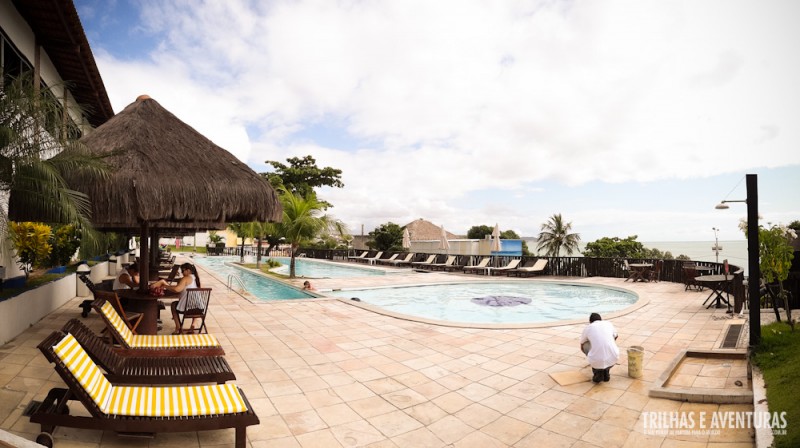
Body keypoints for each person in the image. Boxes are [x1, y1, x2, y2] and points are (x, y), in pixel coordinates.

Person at [150, 263, 201, 334]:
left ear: (188, 270)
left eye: (183, 271)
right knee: (194, 302)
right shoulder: (195, 278)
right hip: (199, 308)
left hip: (188, 307)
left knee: (173, 305)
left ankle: (178, 327)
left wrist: (165, 286)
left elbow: (177, 289)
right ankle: (193, 324)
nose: (182, 273)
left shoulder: (186, 278)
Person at [579, 312, 619, 383]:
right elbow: (616, 336)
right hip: (614, 357)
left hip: (596, 361)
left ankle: (597, 371)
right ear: (601, 320)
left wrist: (590, 354)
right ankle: (606, 371)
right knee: (607, 344)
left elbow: (582, 344)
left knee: (585, 344)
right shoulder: (608, 324)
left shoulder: (588, 328)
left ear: (590, 322)